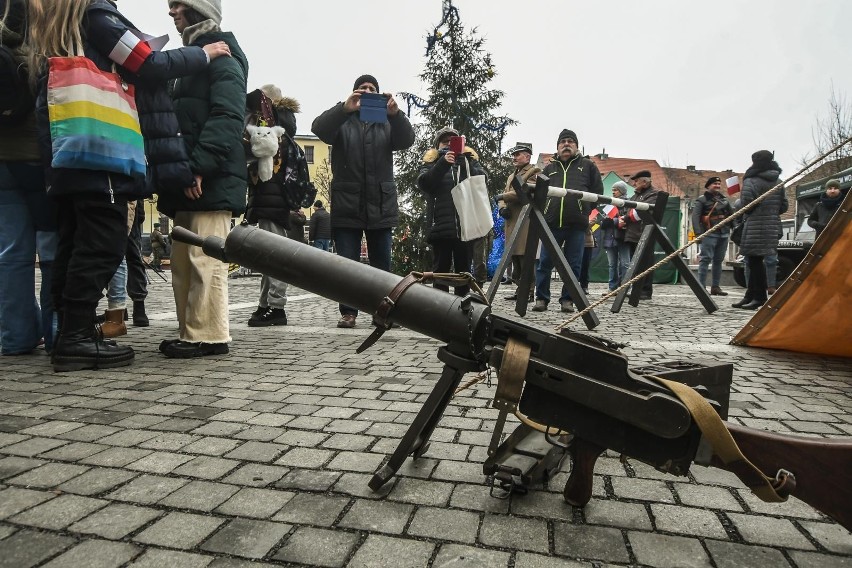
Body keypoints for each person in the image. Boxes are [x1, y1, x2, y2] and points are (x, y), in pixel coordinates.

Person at [27, 0, 230, 371]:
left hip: (70, 148)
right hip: (101, 150)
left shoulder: (60, 23)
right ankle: (75, 338)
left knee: (74, 241)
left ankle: (69, 333)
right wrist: (201, 54)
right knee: (102, 243)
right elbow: (146, 63)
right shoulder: (97, 16)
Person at [157, 0, 248, 357]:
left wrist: (198, 166)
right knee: (184, 259)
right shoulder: (193, 58)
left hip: (208, 176)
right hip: (190, 174)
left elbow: (227, 115)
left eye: (179, 4)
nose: (172, 11)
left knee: (204, 258)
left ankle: (209, 335)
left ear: (198, 9)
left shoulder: (222, 56)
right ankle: (192, 331)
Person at [311, 74, 415, 328]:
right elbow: (318, 128)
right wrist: (344, 108)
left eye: (372, 88)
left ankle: (384, 312)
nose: (367, 91)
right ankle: (349, 312)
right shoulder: (342, 121)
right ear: (354, 92)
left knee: (382, 264)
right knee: (348, 266)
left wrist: (396, 114)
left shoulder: (387, 123)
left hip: (380, 202)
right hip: (348, 203)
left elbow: (407, 140)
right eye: (362, 88)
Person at [0, 0, 58, 356]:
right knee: (51, 246)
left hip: (1, 164)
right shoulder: (39, 46)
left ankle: (16, 336)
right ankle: (55, 331)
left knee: (10, 253)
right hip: (37, 160)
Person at [244, 84, 300, 328]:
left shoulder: (274, 133)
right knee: (267, 256)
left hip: (272, 200)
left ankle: (276, 307)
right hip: (270, 200)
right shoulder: (280, 130)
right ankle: (266, 304)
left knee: (274, 256)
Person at [533, 129, 603, 312]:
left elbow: (598, 193)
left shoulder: (588, 166)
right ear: (557, 147)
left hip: (577, 225)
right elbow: (539, 196)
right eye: (562, 141)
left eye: (570, 141)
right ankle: (541, 298)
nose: (566, 144)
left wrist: (585, 210)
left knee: (574, 264)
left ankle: (568, 300)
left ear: (576, 146)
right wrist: (546, 212)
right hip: (552, 224)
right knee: (544, 263)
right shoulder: (549, 169)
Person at [417, 127, 487, 297]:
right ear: (437, 145)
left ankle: (462, 308)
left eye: (452, 141)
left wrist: (465, 163)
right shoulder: (431, 162)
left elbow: (483, 181)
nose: (449, 144)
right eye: (445, 141)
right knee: (440, 271)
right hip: (441, 227)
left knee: (464, 272)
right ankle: (441, 308)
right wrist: (442, 164)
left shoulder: (469, 160)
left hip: (466, 226)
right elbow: (424, 183)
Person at [732, 150, 787, 310]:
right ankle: (750, 295)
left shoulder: (751, 180)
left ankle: (759, 297)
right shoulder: (778, 181)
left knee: (753, 262)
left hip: (755, 225)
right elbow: (784, 206)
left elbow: (746, 205)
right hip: (772, 225)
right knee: (755, 260)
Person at [497, 144, 536, 301]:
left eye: (518, 154)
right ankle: (520, 289)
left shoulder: (534, 172)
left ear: (527, 156)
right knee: (514, 258)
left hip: (524, 220)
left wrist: (502, 198)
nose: (514, 157)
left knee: (525, 258)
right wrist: (502, 208)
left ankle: (529, 291)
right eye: (514, 154)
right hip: (511, 220)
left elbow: (525, 191)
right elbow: (505, 194)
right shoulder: (511, 176)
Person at [621, 170, 663, 300]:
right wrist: (625, 218)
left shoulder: (654, 194)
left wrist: (625, 219)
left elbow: (640, 212)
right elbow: (629, 210)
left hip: (646, 233)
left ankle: (645, 290)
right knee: (636, 264)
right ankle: (636, 289)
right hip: (634, 234)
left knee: (646, 264)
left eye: (636, 181)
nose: (634, 184)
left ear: (644, 181)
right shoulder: (635, 195)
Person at [691, 176, 734, 295]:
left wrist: (734, 228)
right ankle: (701, 287)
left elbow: (731, 215)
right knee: (705, 260)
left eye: (719, 184)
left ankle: (715, 287)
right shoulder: (702, 200)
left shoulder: (724, 200)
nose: (717, 186)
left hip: (723, 233)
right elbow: (695, 217)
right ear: (709, 185)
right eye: (715, 184)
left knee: (718, 261)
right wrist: (699, 234)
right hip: (709, 233)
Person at [598, 181, 630, 292]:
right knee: (612, 265)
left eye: (615, 190)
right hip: (609, 239)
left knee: (625, 264)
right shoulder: (609, 205)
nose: (613, 192)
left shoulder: (628, 204)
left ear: (622, 191)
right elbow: (602, 222)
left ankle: (625, 288)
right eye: (612, 190)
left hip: (622, 238)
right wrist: (612, 221)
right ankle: (612, 288)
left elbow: (626, 220)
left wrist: (612, 221)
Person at [126, 199, 149, 326]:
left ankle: (139, 305)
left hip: (130, 203)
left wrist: (139, 213)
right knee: (107, 259)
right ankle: (117, 308)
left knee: (134, 257)